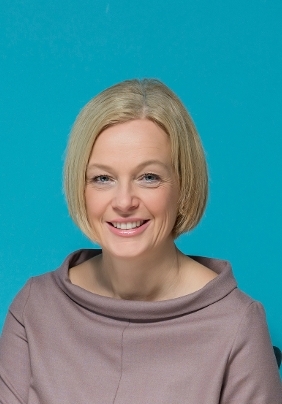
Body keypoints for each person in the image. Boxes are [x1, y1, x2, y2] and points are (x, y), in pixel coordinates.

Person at [0, 79, 281, 403]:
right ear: (82, 188)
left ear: (183, 185)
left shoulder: (236, 325)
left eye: (148, 177)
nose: (124, 201)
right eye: (102, 178)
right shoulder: (35, 307)